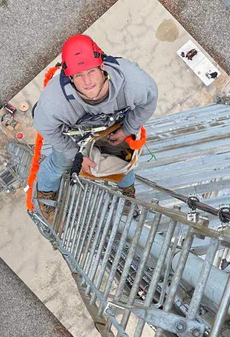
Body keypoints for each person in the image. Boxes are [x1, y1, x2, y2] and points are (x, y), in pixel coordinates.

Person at [34, 34, 158, 219]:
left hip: (115, 125)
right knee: (59, 165)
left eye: (91, 71)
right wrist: (75, 154)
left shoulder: (134, 83)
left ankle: (127, 193)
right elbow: (45, 128)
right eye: (79, 75)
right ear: (70, 78)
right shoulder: (54, 103)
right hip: (74, 135)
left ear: (102, 67)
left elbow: (148, 102)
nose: (87, 81)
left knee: (124, 164)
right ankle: (45, 195)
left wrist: (127, 130)